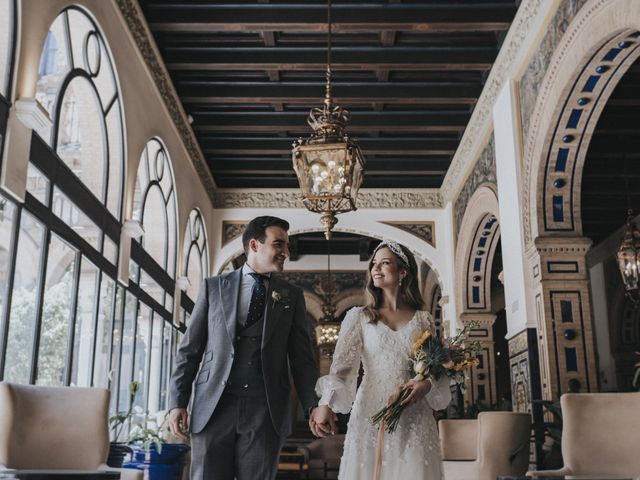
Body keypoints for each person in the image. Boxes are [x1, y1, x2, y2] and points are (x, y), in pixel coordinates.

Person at [168, 216, 326, 480]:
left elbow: (302, 360)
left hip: (265, 411)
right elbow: (190, 349)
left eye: (286, 246)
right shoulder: (213, 287)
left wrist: (312, 406)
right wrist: (177, 402)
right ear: (254, 245)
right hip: (213, 407)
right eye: (279, 245)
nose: (286, 252)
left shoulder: (291, 296)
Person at [312, 240, 452, 479]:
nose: (375, 268)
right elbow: (342, 368)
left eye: (384, 263)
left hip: (413, 411)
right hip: (370, 409)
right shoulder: (359, 317)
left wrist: (425, 385)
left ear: (403, 272)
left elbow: (435, 367)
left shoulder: (423, 319)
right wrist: (325, 404)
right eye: (373, 264)